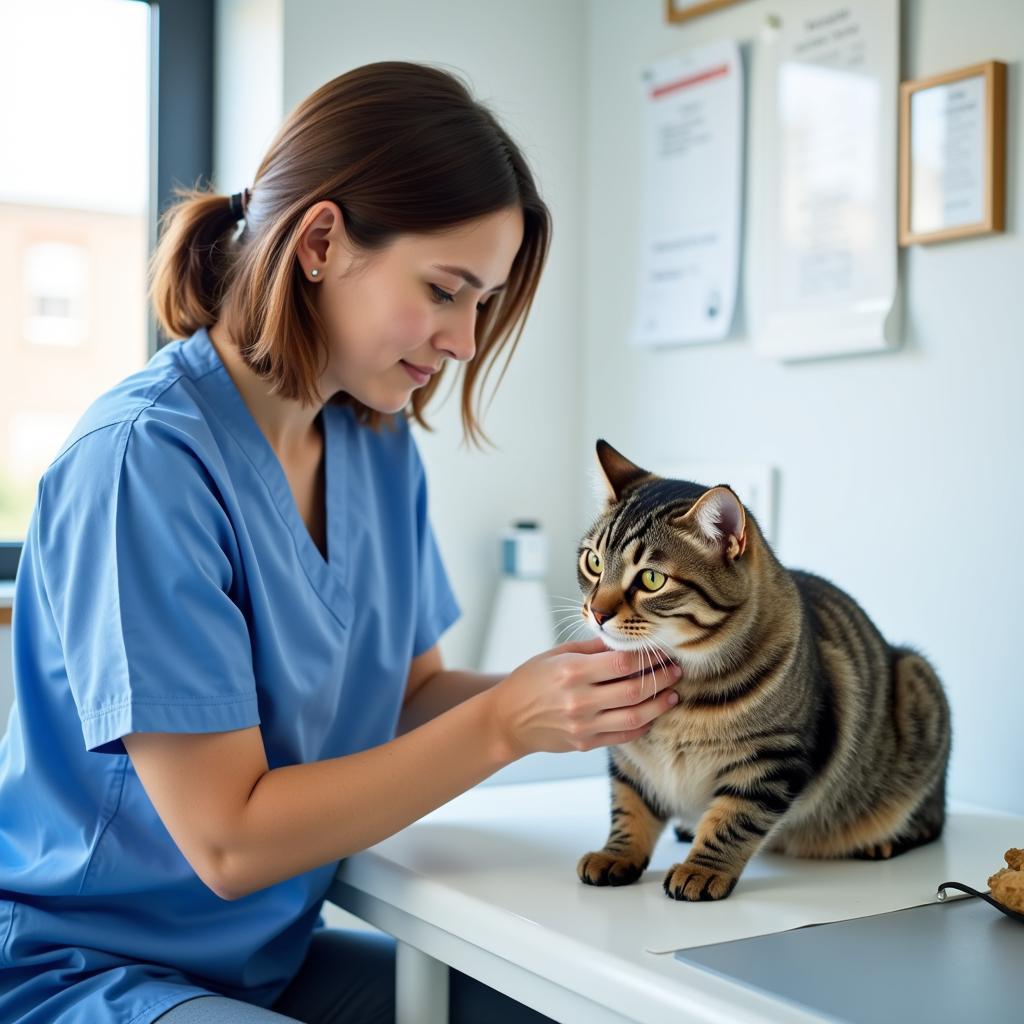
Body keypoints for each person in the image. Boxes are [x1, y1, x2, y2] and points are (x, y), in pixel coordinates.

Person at [0, 61, 683, 1024]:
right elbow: (229, 842)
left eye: (482, 303)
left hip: (265, 961)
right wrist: (506, 724)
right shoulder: (143, 462)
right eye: (448, 291)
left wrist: (593, 693)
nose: (465, 341)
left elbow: (406, 697)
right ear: (321, 241)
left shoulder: (375, 440)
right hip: (82, 974)